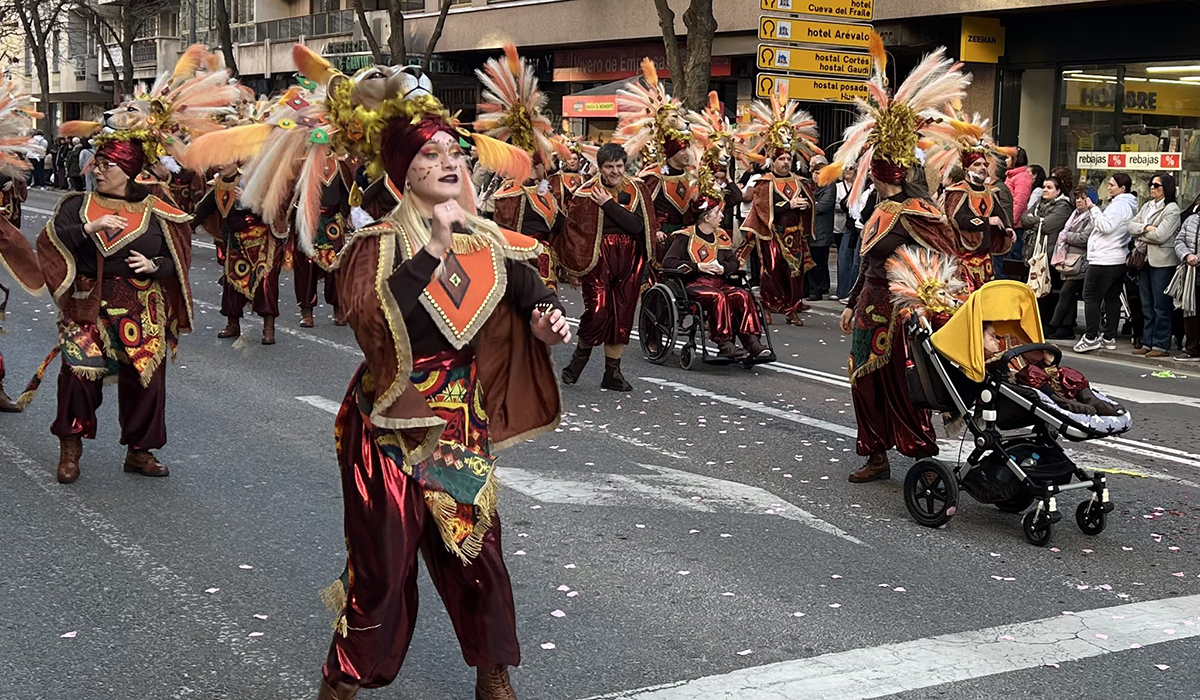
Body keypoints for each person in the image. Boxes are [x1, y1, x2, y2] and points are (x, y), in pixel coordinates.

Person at [315, 93, 570, 700]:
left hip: (459, 423)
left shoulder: (491, 242)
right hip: (389, 425)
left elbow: (533, 292)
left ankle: (493, 674)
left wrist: (546, 320)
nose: (448, 161)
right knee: (385, 563)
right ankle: (344, 681)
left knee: (476, 549)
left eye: (453, 150)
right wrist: (433, 246)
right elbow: (368, 316)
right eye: (431, 154)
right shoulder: (378, 244)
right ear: (405, 172)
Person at [820, 43, 970, 484]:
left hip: (904, 314)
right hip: (869, 307)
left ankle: (921, 457)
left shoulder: (917, 213)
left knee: (904, 389)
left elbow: (947, 254)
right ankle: (876, 455)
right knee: (865, 387)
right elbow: (868, 262)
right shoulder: (877, 212)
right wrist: (850, 302)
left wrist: (932, 297)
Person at [36, 135, 194, 483]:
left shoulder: (157, 208)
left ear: (128, 170)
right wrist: (89, 228)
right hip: (88, 302)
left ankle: (139, 451)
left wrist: (156, 266)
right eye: (99, 162)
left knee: (146, 379)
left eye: (107, 164)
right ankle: (70, 447)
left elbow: (178, 260)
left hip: (142, 305)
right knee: (79, 374)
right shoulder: (77, 204)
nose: (97, 169)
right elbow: (51, 241)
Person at [556, 142, 655, 391]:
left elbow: (638, 226)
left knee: (622, 314)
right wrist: (574, 268)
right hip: (598, 258)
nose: (615, 172)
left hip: (630, 258)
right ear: (599, 167)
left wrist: (608, 205)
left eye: (619, 166)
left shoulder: (637, 189)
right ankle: (577, 363)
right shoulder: (585, 192)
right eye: (609, 167)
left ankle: (613, 372)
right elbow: (575, 232)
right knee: (597, 312)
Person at [476, 46, 566, 291]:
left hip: (543, 263)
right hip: (515, 262)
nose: (538, 171)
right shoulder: (503, 194)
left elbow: (559, 226)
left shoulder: (547, 195)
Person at [739, 95, 821, 325]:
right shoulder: (765, 181)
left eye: (788, 158)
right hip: (772, 233)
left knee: (796, 273)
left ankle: (792, 308)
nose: (785, 162)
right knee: (771, 271)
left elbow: (809, 202)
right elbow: (762, 206)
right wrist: (788, 205)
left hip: (794, 234)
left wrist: (806, 206)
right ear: (773, 161)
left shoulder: (800, 181)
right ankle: (767, 305)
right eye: (781, 159)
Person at [662, 194, 770, 359]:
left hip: (719, 282)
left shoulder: (721, 236)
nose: (721, 216)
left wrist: (723, 269)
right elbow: (668, 263)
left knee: (742, 295)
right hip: (694, 284)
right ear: (706, 217)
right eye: (718, 212)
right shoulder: (685, 237)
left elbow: (734, 262)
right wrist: (697, 267)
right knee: (718, 297)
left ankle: (752, 341)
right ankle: (725, 343)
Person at [193, 163, 285, 345]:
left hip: (260, 241)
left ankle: (269, 328)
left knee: (265, 281)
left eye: (225, 160)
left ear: (234, 161)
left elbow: (272, 206)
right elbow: (201, 211)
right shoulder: (217, 186)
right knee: (232, 281)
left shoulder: (252, 179)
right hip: (235, 242)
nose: (220, 164)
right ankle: (232, 324)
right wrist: (181, 227)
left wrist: (249, 199)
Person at [1074, 173, 1138, 353]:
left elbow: (1105, 227)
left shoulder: (1119, 205)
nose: (1109, 187)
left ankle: (1091, 336)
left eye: (1112, 185)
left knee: (1091, 297)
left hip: (1105, 258)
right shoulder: (1124, 204)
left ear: (1123, 188)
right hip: (1115, 256)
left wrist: (1093, 209)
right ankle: (1109, 336)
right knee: (1111, 297)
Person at [943, 149, 1015, 291]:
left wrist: (1008, 228)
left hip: (985, 257)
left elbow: (1000, 215)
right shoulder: (959, 191)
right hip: (964, 256)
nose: (982, 168)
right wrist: (986, 221)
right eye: (977, 164)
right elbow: (957, 219)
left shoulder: (991, 191)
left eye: (984, 164)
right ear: (966, 168)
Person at [1128, 173, 1182, 358]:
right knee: (1147, 305)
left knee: (1161, 305)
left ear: (1165, 188)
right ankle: (1147, 342)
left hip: (1163, 262)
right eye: (1151, 184)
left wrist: (1141, 231)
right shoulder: (1146, 206)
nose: (1152, 187)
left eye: (1156, 185)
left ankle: (1161, 344)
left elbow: (1161, 236)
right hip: (1144, 260)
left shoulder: (1172, 209)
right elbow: (1130, 226)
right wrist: (1146, 228)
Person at [1046, 187, 1094, 339]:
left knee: (1066, 292)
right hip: (1068, 261)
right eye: (1077, 198)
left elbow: (1083, 238)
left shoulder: (1091, 217)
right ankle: (1065, 327)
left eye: (1083, 198)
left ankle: (1053, 325)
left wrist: (1067, 236)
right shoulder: (1074, 215)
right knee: (1069, 295)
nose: (1079, 201)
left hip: (1082, 262)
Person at [1020, 175, 1072, 318]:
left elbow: (1047, 226)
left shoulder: (1063, 206)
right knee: (1034, 287)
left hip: (1048, 253)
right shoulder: (1038, 202)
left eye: (1049, 187)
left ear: (1058, 190)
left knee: (1047, 289)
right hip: (1033, 253)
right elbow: (1024, 219)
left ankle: (1047, 321)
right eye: (1043, 187)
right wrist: (1039, 220)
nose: (1045, 190)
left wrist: (1035, 220)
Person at [1172, 193, 1200, 361]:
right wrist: (1187, 255)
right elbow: (1179, 240)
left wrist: (1197, 257)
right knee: (1190, 311)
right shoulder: (1191, 220)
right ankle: (1192, 349)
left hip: (1196, 264)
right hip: (1191, 271)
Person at [805, 155, 837, 301]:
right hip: (810, 230)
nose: (815, 176)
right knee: (812, 260)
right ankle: (817, 287)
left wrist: (810, 205)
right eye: (814, 173)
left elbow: (823, 206)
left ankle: (817, 290)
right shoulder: (810, 187)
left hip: (821, 230)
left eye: (818, 174)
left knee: (818, 261)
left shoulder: (829, 187)